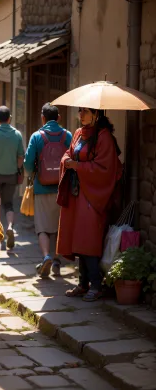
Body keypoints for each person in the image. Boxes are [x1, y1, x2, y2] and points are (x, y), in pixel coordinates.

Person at [57, 108, 122, 301]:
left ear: (96, 114)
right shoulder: (78, 133)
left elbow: (105, 169)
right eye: (80, 111)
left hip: (93, 194)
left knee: (88, 238)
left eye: (85, 112)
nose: (81, 115)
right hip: (78, 193)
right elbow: (68, 153)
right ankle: (82, 283)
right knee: (78, 238)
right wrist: (66, 160)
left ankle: (96, 284)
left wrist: (77, 166)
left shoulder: (104, 137)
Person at [24, 103, 72, 277]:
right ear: (58, 118)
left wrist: (35, 171)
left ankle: (46, 257)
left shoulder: (37, 137)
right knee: (59, 226)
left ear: (42, 118)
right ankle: (57, 262)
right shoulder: (67, 135)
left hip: (41, 188)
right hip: (62, 188)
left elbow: (28, 165)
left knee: (43, 227)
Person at [0, 106, 24, 256]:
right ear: (10, 118)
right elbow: (21, 156)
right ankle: (9, 226)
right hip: (11, 175)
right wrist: (18, 169)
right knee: (9, 205)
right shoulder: (17, 134)